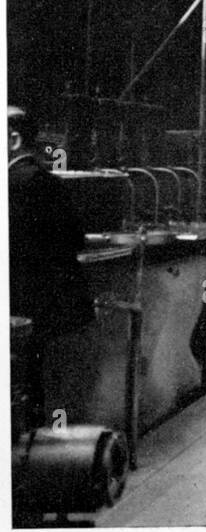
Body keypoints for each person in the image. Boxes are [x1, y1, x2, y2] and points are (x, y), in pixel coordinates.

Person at [7, 107, 95, 428]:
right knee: (50, 394)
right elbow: (76, 239)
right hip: (58, 312)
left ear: (14, 140)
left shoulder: (10, 185)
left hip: (28, 310)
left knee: (29, 389)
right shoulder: (48, 182)